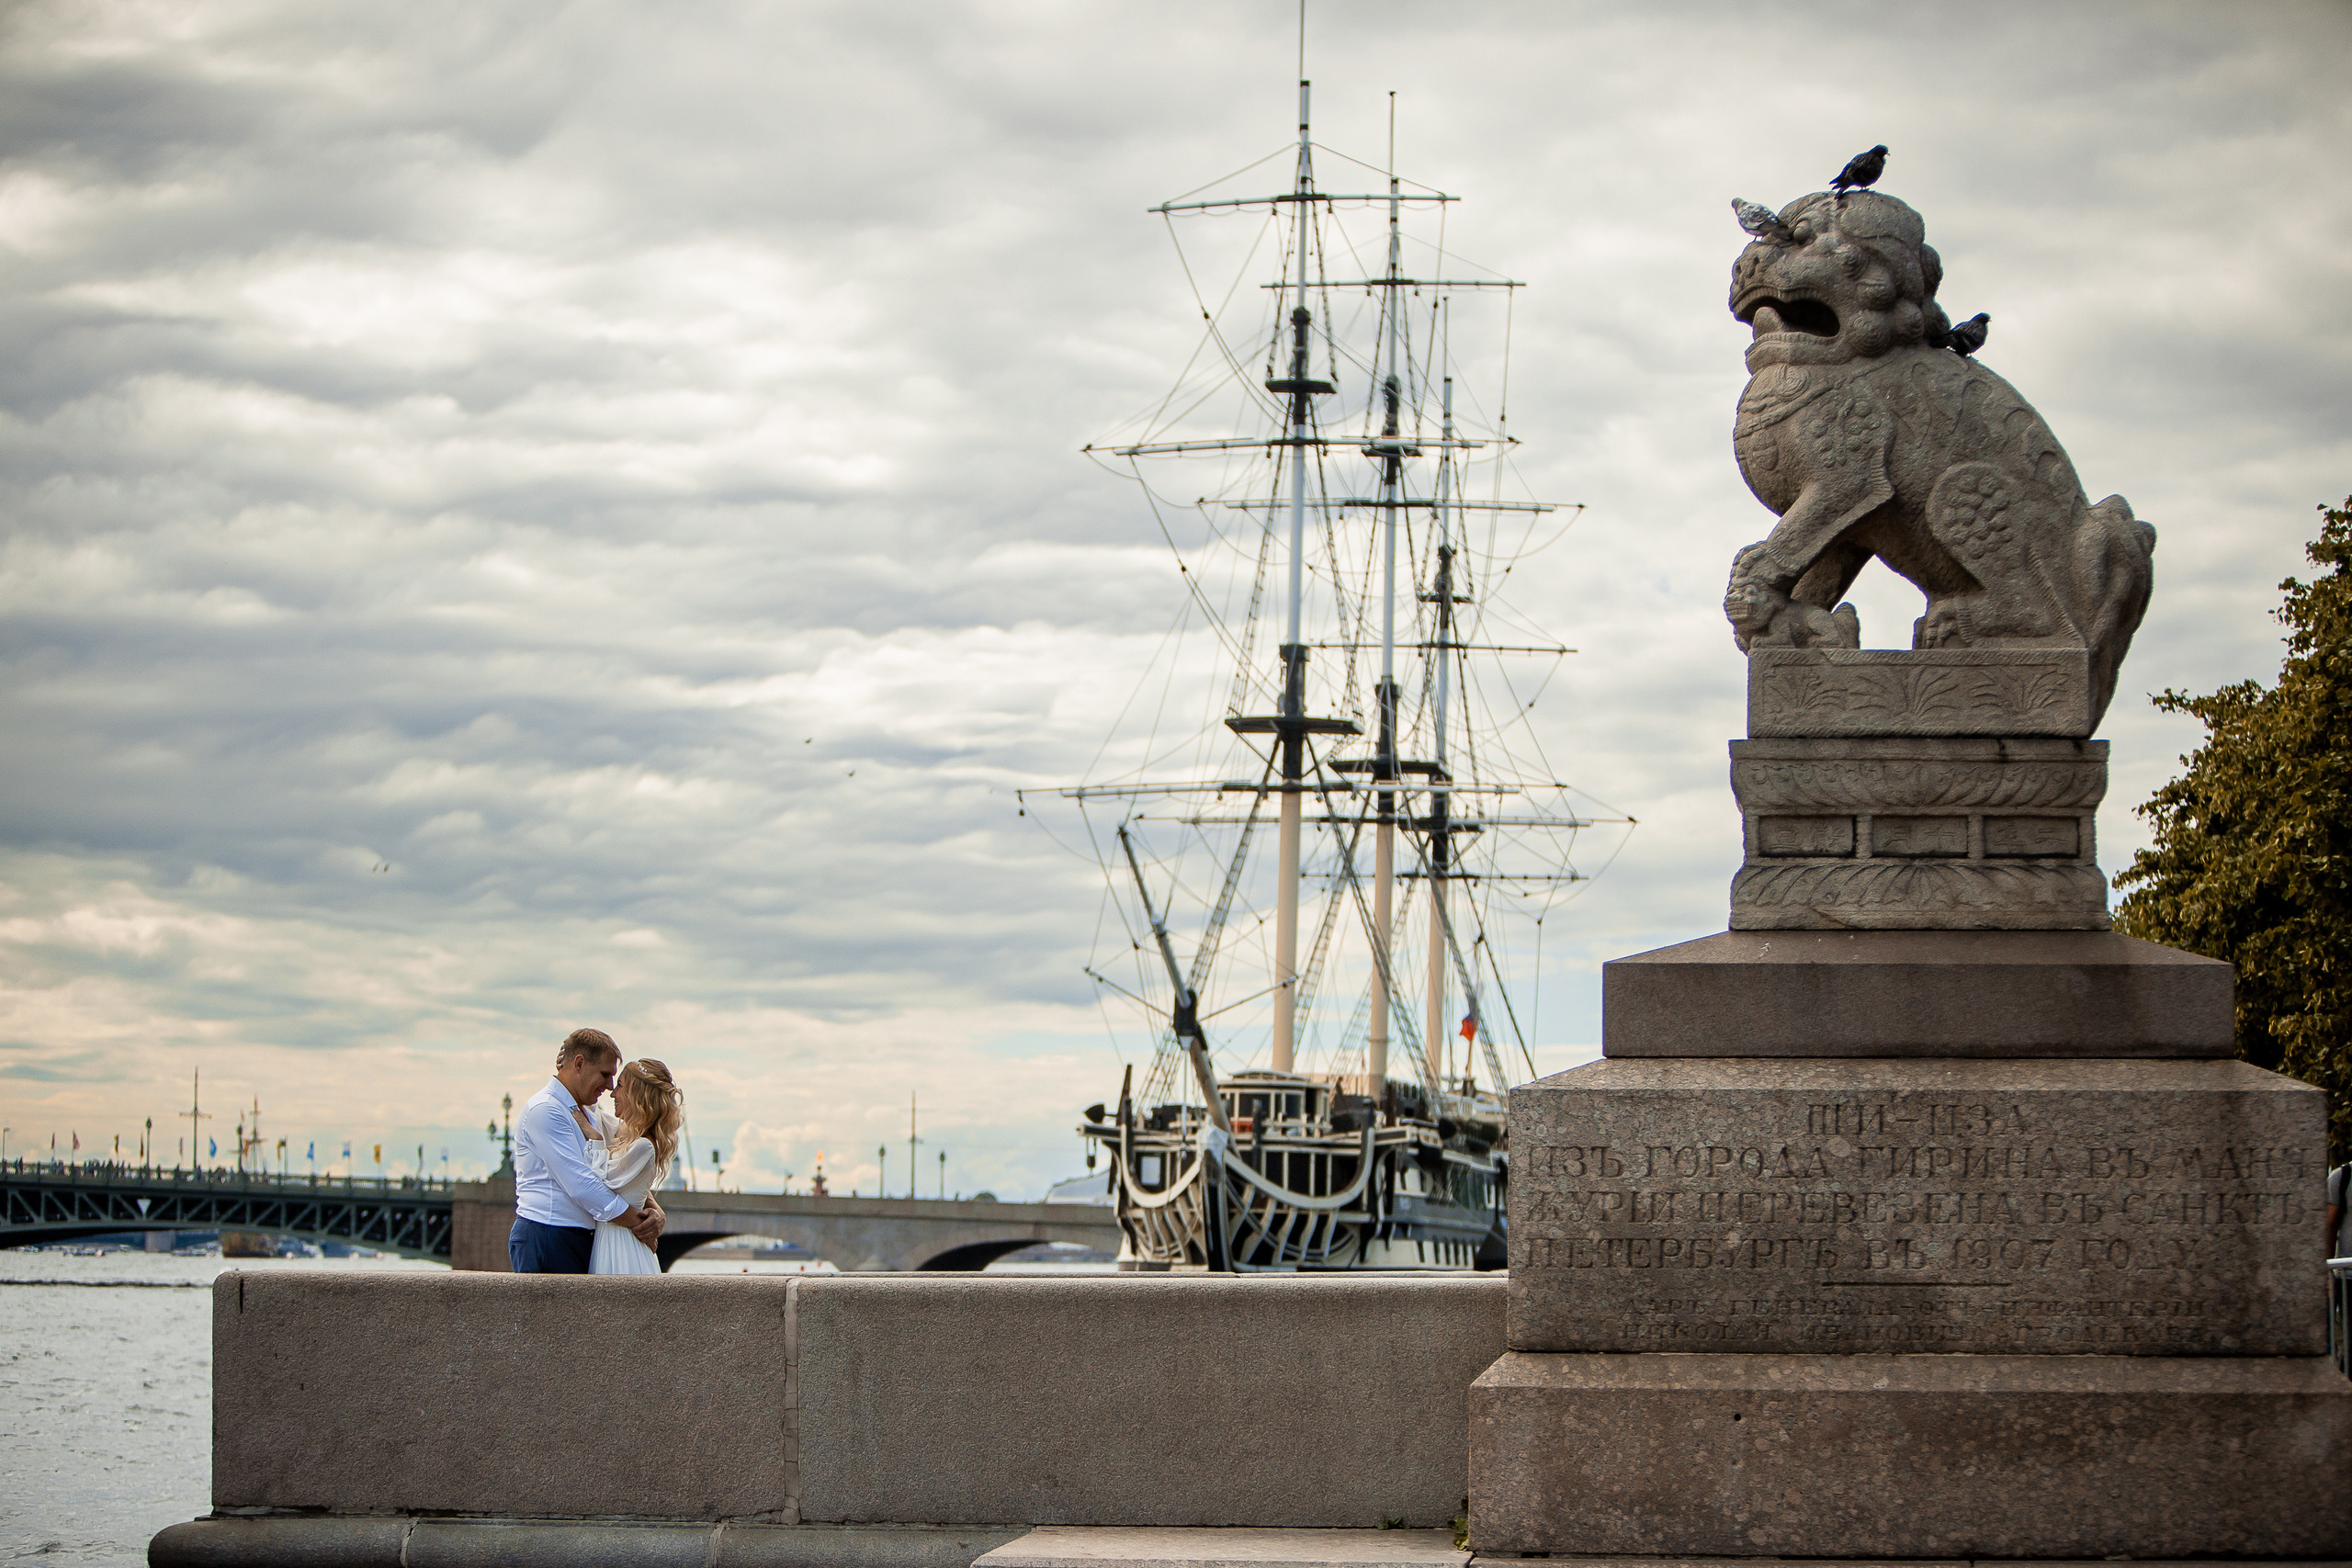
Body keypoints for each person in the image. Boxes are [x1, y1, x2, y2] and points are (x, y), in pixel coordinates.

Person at [510, 1028, 664, 1273]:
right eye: (605, 1074)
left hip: (577, 1238)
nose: (610, 1086)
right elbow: (582, 1186)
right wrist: (639, 1223)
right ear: (579, 1063)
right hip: (549, 1235)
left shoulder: (590, 1113)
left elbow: (621, 1170)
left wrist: (655, 1210)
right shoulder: (545, 1110)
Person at [587, 1057, 684, 1275]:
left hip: (620, 1243)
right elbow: (594, 1113)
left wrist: (595, 1139)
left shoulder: (643, 1146)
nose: (613, 1093)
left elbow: (598, 1183)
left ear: (636, 1095)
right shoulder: (626, 1136)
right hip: (612, 1238)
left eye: (620, 1086)